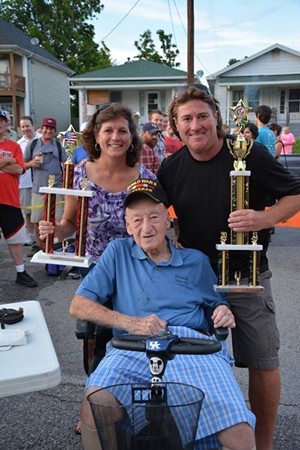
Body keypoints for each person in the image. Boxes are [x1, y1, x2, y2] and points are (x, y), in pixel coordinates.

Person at [157, 84, 300, 450]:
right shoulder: (171, 167)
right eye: (186, 118)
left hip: (248, 277)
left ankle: (263, 444)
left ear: (217, 118)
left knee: (262, 361)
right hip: (195, 283)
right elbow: (152, 213)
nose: (195, 125)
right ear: (175, 124)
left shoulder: (249, 153)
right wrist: (166, 235)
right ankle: (209, 435)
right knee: (194, 362)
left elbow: (295, 194)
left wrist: (263, 218)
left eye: (202, 116)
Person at [69, 178, 255, 450]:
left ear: (168, 220)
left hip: (190, 345)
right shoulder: (117, 252)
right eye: (137, 220)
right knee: (95, 404)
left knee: (240, 436)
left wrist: (222, 309)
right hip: (131, 344)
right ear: (128, 225)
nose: (146, 227)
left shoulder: (195, 260)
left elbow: (216, 303)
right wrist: (129, 322)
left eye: (154, 217)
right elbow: (78, 305)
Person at [39, 103, 156, 266]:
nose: (115, 137)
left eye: (122, 131)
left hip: (137, 268)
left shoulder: (146, 179)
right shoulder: (79, 175)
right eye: (108, 130)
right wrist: (56, 230)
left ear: (131, 137)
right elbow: (71, 223)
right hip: (93, 268)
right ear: (96, 136)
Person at [0, 109, 37, 287]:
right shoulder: (12, 152)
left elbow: (19, 169)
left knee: (15, 239)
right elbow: (13, 165)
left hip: (10, 200)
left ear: (6, 124)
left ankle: (21, 272)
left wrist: (7, 164)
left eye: (1, 120)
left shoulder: (14, 146)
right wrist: (8, 161)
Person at [24, 117, 67, 255]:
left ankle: (58, 248)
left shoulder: (59, 146)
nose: (48, 131)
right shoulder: (32, 144)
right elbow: (23, 164)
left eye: (51, 129)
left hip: (57, 189)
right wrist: (32, 164)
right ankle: (41, 248)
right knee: (37, 222)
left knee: (59, 222)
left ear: (54, 131)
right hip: (38, 189)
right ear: (41, 129)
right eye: (46, 128)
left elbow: (66, 164)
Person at [17, 116, 41, 247]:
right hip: (25, 181)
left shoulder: (42, 140)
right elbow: (19, 164)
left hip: (41, 181)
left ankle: (43, 236)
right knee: (27, 210)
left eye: (27, 126)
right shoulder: (19, 144)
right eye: (23, 127)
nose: (26, 129)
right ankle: (30, 235)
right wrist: (31, 163)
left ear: (33, 125)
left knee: (41, 210)